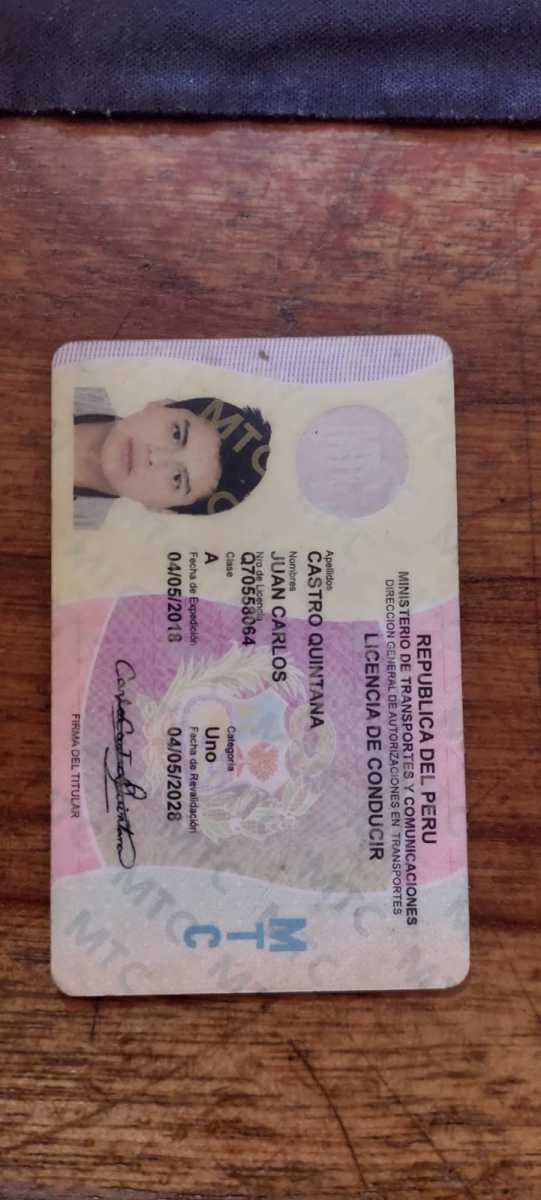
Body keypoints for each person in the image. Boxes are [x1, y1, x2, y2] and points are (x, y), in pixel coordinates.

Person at [73, 388, 272, 529]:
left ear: (163, 509)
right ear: (161, 405)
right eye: (176, 434)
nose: (155, 456)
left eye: (177, 478)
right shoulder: (75, 380)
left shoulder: (77, 530)